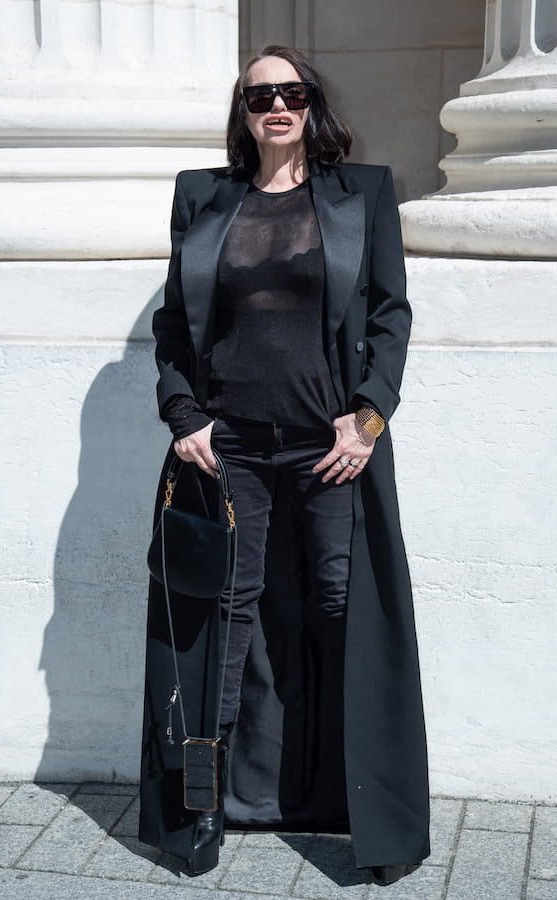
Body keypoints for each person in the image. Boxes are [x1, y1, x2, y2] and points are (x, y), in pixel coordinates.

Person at [139, 45, 430, 887]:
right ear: (243, 110)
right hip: (225, 444)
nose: (277, 106)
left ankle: (360, 811)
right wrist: (182, 414)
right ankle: (202, 809)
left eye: (291, 93)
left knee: (344, 608)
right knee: (221, 617)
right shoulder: (204, 196)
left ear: (312, 105)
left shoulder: (361, 193)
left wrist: (368, 418)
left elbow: (390, 317)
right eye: (259, 95)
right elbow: (173, 326)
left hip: (329, 447)